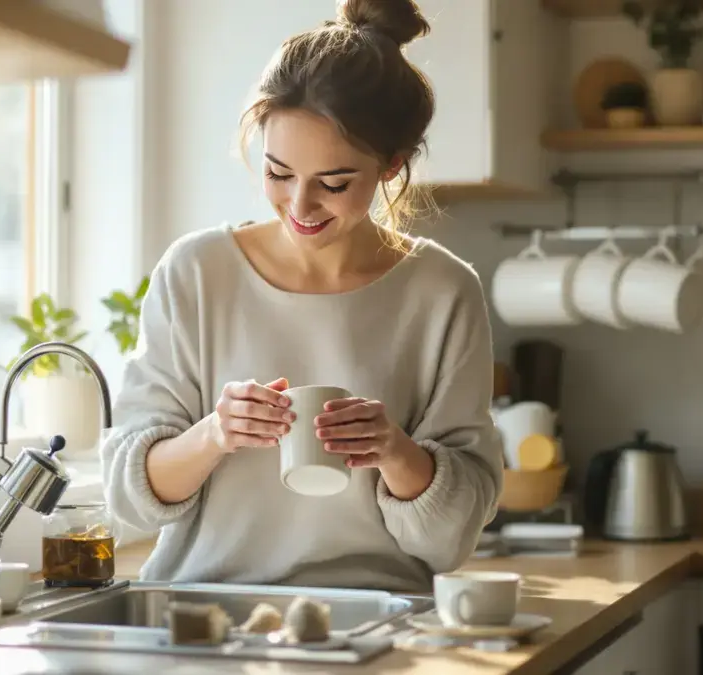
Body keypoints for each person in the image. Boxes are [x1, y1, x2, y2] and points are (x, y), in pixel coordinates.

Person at [100, 0, 503, 593]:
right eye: (277, 172)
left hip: (377, 617)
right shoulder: (196, 273)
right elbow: (129, 503)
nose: (299, 205)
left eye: (334, 184)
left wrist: (393, 451)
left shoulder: (443, 293)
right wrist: (216, 433)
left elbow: (451, 538)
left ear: (392, 166)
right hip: (206, 614)